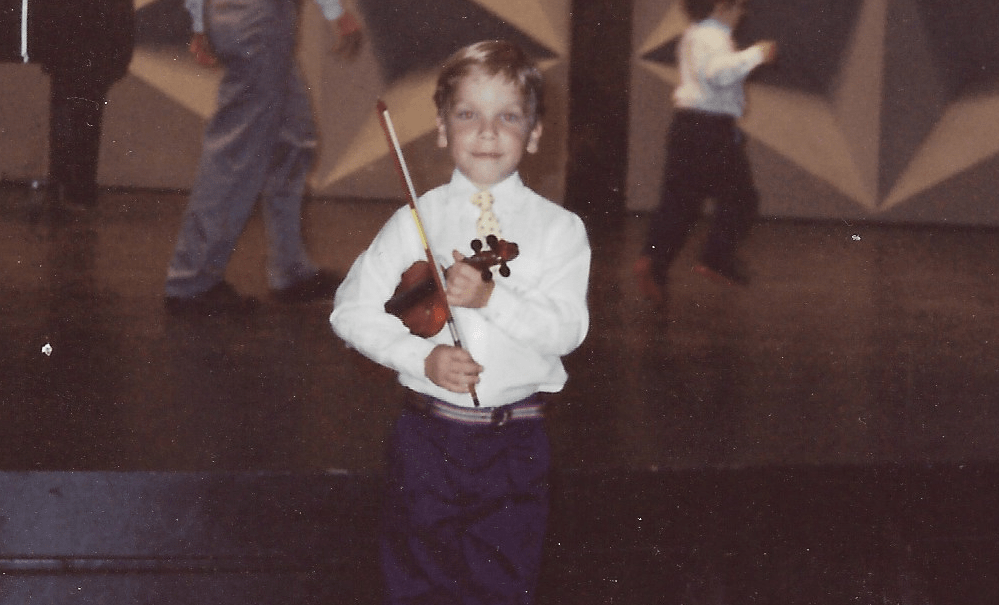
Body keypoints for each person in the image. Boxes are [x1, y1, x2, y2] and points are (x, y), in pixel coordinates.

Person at [330, 40, 590, 605]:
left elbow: (567, 330)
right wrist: (418, 357)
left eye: (509, 116)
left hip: (515, 440)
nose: (488, 132)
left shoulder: (560, 230)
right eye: (469, 114)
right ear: (443, 129)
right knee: (418, 578)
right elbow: (349, 310)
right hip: (427, 438)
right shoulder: (415, 220)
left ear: (536, 132)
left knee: (503, 580)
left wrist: (491, 299)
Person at [164, 0, 363, 315]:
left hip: (241, 16)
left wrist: (201, 21)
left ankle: (290, 268)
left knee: (294, 138)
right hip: (260, 19)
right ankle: (192, 280)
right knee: (237, 153)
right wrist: (335, 12)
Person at [634, 0, 776, 303]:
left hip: (687, 126)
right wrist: (757, 54)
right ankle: (716, 257)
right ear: (721, 6)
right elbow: (718, 75)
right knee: (741, 198)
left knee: (679, 204)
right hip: (712, 130)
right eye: (738, 7)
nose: (742, 14)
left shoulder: (693, 34)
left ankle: (653, 262)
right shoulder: (714, 36)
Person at [33, 0, 135, 210]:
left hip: (75, 53)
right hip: (91, 54)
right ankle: (77, 189)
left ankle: (67, 185)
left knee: (70, 120)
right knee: (84, 122)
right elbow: (124, 18)